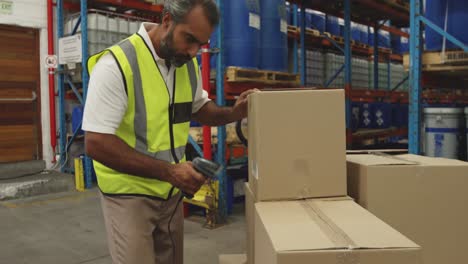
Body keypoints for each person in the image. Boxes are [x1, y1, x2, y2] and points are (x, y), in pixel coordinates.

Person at [82, 1, 257, 263]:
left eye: (201, 44)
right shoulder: (116, 64)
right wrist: (170, 171)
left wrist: (234, 113)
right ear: (166, 21)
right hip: (130, 195)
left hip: (171, 194)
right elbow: (96, 143)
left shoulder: (185, 64)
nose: (194, 51)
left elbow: (199, 109)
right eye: (189, 39)